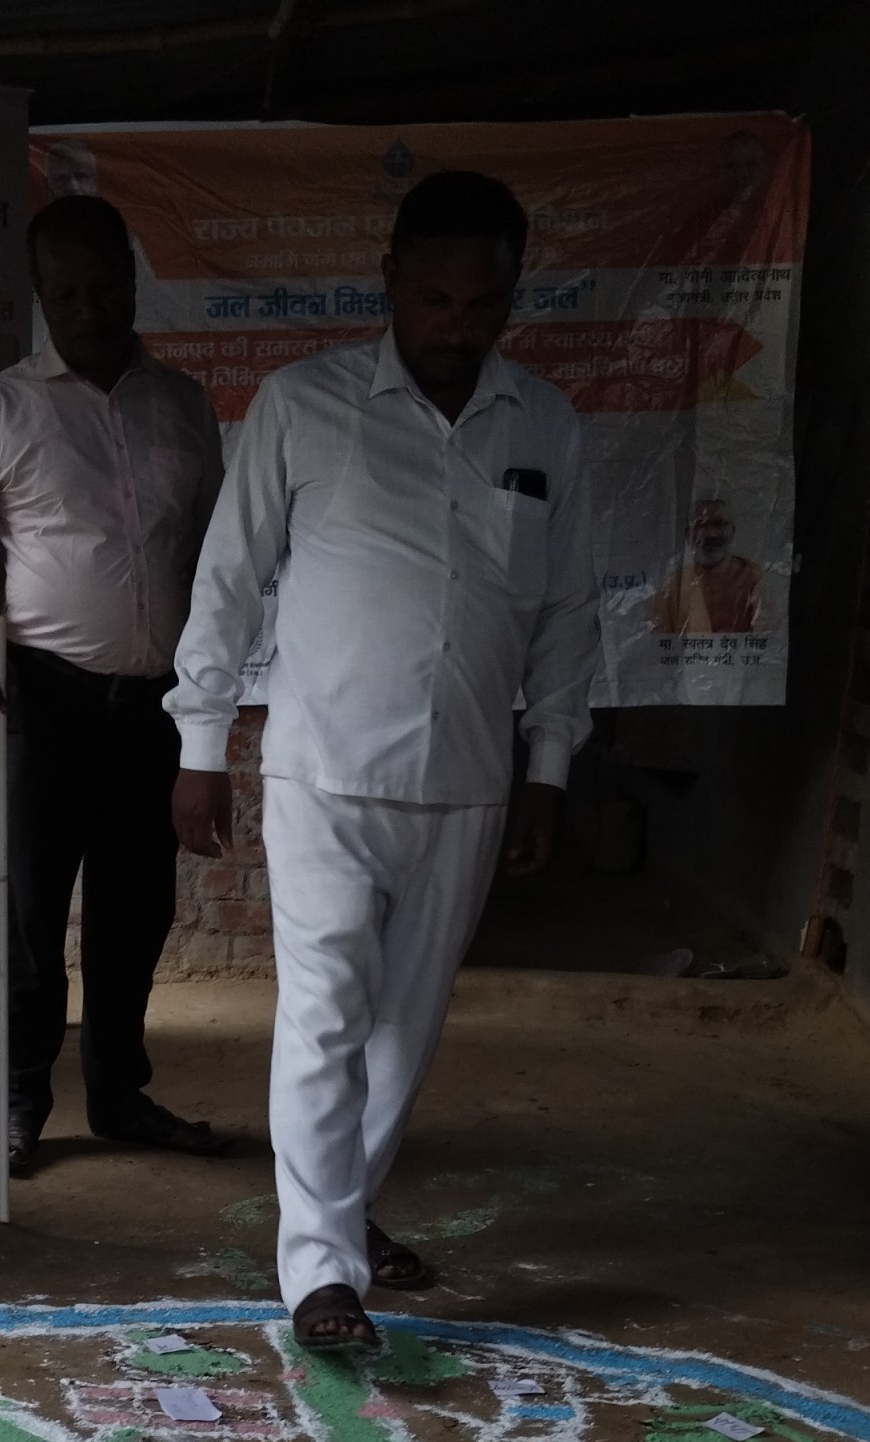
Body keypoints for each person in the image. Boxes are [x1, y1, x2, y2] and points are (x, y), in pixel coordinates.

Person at [167, 169, 596, 1353]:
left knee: (405, 1032)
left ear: (513, 296)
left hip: (468, 779)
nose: (457, 326)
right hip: (323, 772)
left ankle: (341, 1217)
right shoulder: (304, 405)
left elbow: (567, 615)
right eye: (435, 299)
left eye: (482, 303)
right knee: (324, 1015)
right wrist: (200, 744)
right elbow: (227, 580)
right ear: (392, 282)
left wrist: (549, 766)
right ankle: (320, 1276)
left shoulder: (546, 425)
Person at [0, 191, 228, 1171]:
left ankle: (120, 1095)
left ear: (133, 280)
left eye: (106, 286)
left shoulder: (181, 404)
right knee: (31, 916)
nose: (91, 308)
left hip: (155, 708)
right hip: (43, 699)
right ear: (41, 295)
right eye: (68, 292)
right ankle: (18, 1101)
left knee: (137, 914)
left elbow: (217, 552)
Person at [649, 496, 762, 633]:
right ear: (688, 535)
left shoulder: (753, 578)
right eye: (701, 525)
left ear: (733, 531)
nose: (711, 534)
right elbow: (658, 638)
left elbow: (769, 635)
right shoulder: (673, 585)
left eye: (719, 524)